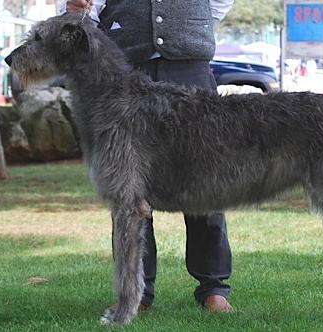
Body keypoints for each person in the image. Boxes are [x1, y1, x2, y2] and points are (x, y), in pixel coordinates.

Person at [63, 0, 234, 312]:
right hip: (126, 71)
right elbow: (86, 7)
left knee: (205, 184)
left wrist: (189, 25)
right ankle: (137, 293)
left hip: (190, 70)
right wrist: (77, 9)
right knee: (129, 193)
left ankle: (214, 289)